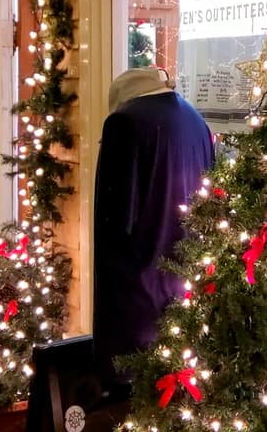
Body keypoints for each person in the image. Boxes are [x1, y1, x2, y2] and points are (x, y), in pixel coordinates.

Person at [92, 67, 215, 384]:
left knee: (127, 405)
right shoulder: (197, 123)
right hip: (186, 290)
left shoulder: (124, 123)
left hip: (136, 296)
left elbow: (117, 221)